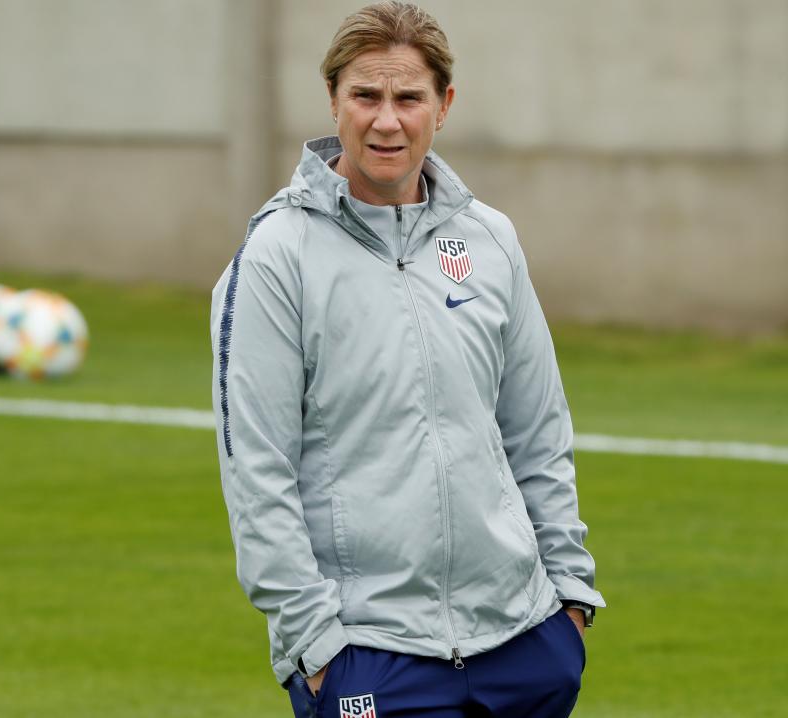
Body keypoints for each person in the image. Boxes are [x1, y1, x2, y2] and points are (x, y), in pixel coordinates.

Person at [210, 3, 604, 716]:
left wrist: (569, 603)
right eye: (365, 96)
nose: (385, 120)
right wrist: (316, 646)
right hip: (371, 657)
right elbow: (255, 471)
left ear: (443, 106)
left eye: (407, 98)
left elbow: (537, 429)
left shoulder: (489, 239)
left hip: (523, 643)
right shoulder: (276, 256)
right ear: (333, 101)